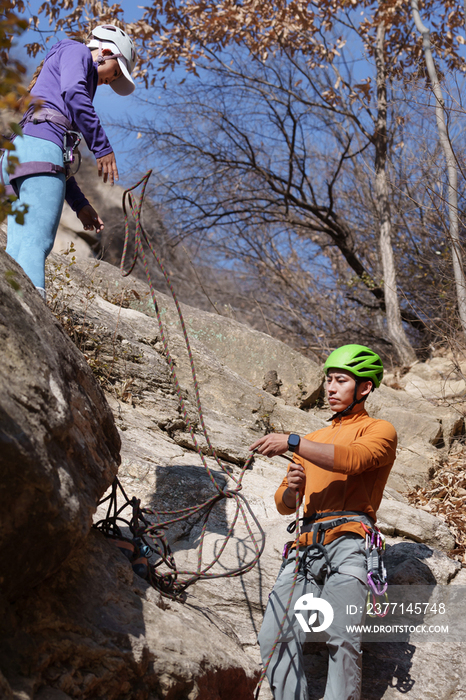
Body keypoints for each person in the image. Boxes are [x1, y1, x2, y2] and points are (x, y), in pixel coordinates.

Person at [250, 344, 397, 700]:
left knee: (342, 638)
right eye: (328, 380)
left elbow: (353, 460)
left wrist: (293, 441)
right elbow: (284, 503)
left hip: (350, 543)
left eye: (341, 380)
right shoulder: (312, 440)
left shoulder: (380, 430)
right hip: (305, 547)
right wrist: (293, 490)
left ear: (364, 388)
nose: (331, 388)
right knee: (274, 635)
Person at [1, 24, 137, 299]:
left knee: (17, 250)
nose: (109, 82)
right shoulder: (77, 51)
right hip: (39, 153)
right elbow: (75, 94)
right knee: (36, 244)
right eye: (115, 73)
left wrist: (79, 204)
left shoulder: (56, 88)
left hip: (18, 158)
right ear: (107, 52)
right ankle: (34, 322)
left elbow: (55, 156)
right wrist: (102, 147)